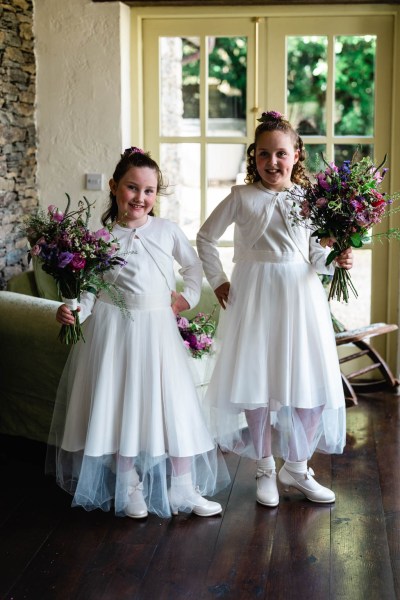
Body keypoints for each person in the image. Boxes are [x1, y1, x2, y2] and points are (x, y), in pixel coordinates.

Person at [47, 147, 229, 519]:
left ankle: (182, 486)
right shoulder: (99, 238)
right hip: (115, 330)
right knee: (120, 403)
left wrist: (187, 298)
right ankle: (128, 483)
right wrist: (74, 311)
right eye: (132, 188)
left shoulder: (167, 230)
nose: (141, 198)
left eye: (149, 191)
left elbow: (193, 267)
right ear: (114, 187)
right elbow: (91, 290)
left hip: (158, 330)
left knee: (173, 404)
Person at [196, 111, 352, 507]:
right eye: (264, 154)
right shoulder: (240, 197)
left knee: (310, 383)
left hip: (300, 297)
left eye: (281, 153)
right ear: (254, 156)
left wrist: (337, 259)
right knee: (257, 384)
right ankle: (265, 465)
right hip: (253, 295)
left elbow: (316, 256)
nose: (272, 162)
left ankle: (296, 467)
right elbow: (205, 238)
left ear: (297, 154)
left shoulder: (311, 200)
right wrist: (218, 281)